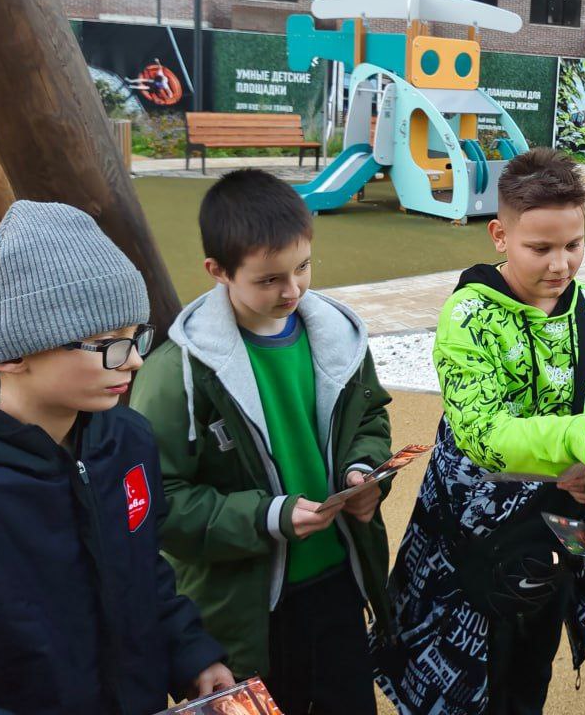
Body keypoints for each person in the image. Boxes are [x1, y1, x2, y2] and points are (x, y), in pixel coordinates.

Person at [374, 147, 585, 715]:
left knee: (533, 655)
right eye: (540, 248)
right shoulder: (470, 316)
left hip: (557, 526)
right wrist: (576, 445)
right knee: (462, 670)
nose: (560, 265)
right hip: (472, 530)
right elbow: (483, 433)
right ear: (500, 235)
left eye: (573, 246)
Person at [0, 200, 231, 714]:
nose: (136, 359)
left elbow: (145, 571)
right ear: (14, 352)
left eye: (136, 336)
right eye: (108, 343)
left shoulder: (128, 441)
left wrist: (190, 652)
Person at [131, 169, 393, 715]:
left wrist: (362, 471)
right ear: (218, 271)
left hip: (341, 578)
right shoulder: (175, 372)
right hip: (250, 606)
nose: (292, 290)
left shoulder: (339, 337)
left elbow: (368, 417)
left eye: (303, 267)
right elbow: (160, 503)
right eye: (269, 279)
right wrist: (267, 516)